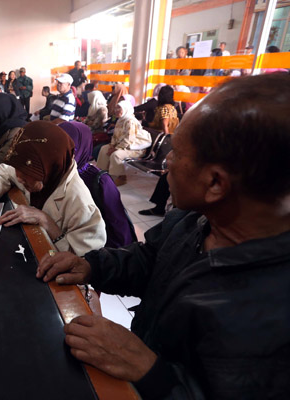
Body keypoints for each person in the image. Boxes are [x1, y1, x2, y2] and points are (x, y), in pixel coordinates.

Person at [36, 74, 290, 399]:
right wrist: (91, 266)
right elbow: (150, 258)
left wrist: (150, 371)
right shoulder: (192, 219)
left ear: (215, 183)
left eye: (178, 153)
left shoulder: (274, 315)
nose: (166, 160)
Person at [0, 121, 106, 256]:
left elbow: (84, 261)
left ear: (50, 168)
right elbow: (5, 170)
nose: (18, 177)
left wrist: (45, 221)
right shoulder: (29, 169)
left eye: (27, 172)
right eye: (18, 168)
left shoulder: (80, 204)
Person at [96, 100, 151, 186]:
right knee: (104, 149)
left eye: (119, 108)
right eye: (116, 107)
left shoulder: (130, 121)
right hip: (122, 145)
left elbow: (129, 139)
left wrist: (115, 148)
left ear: (126, 109)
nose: (116, 110)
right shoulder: (121, 119)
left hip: (135, 148)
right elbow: (115, 136)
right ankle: (102, 172)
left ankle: (120, 177)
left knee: (116, 155)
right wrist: (112, 146)